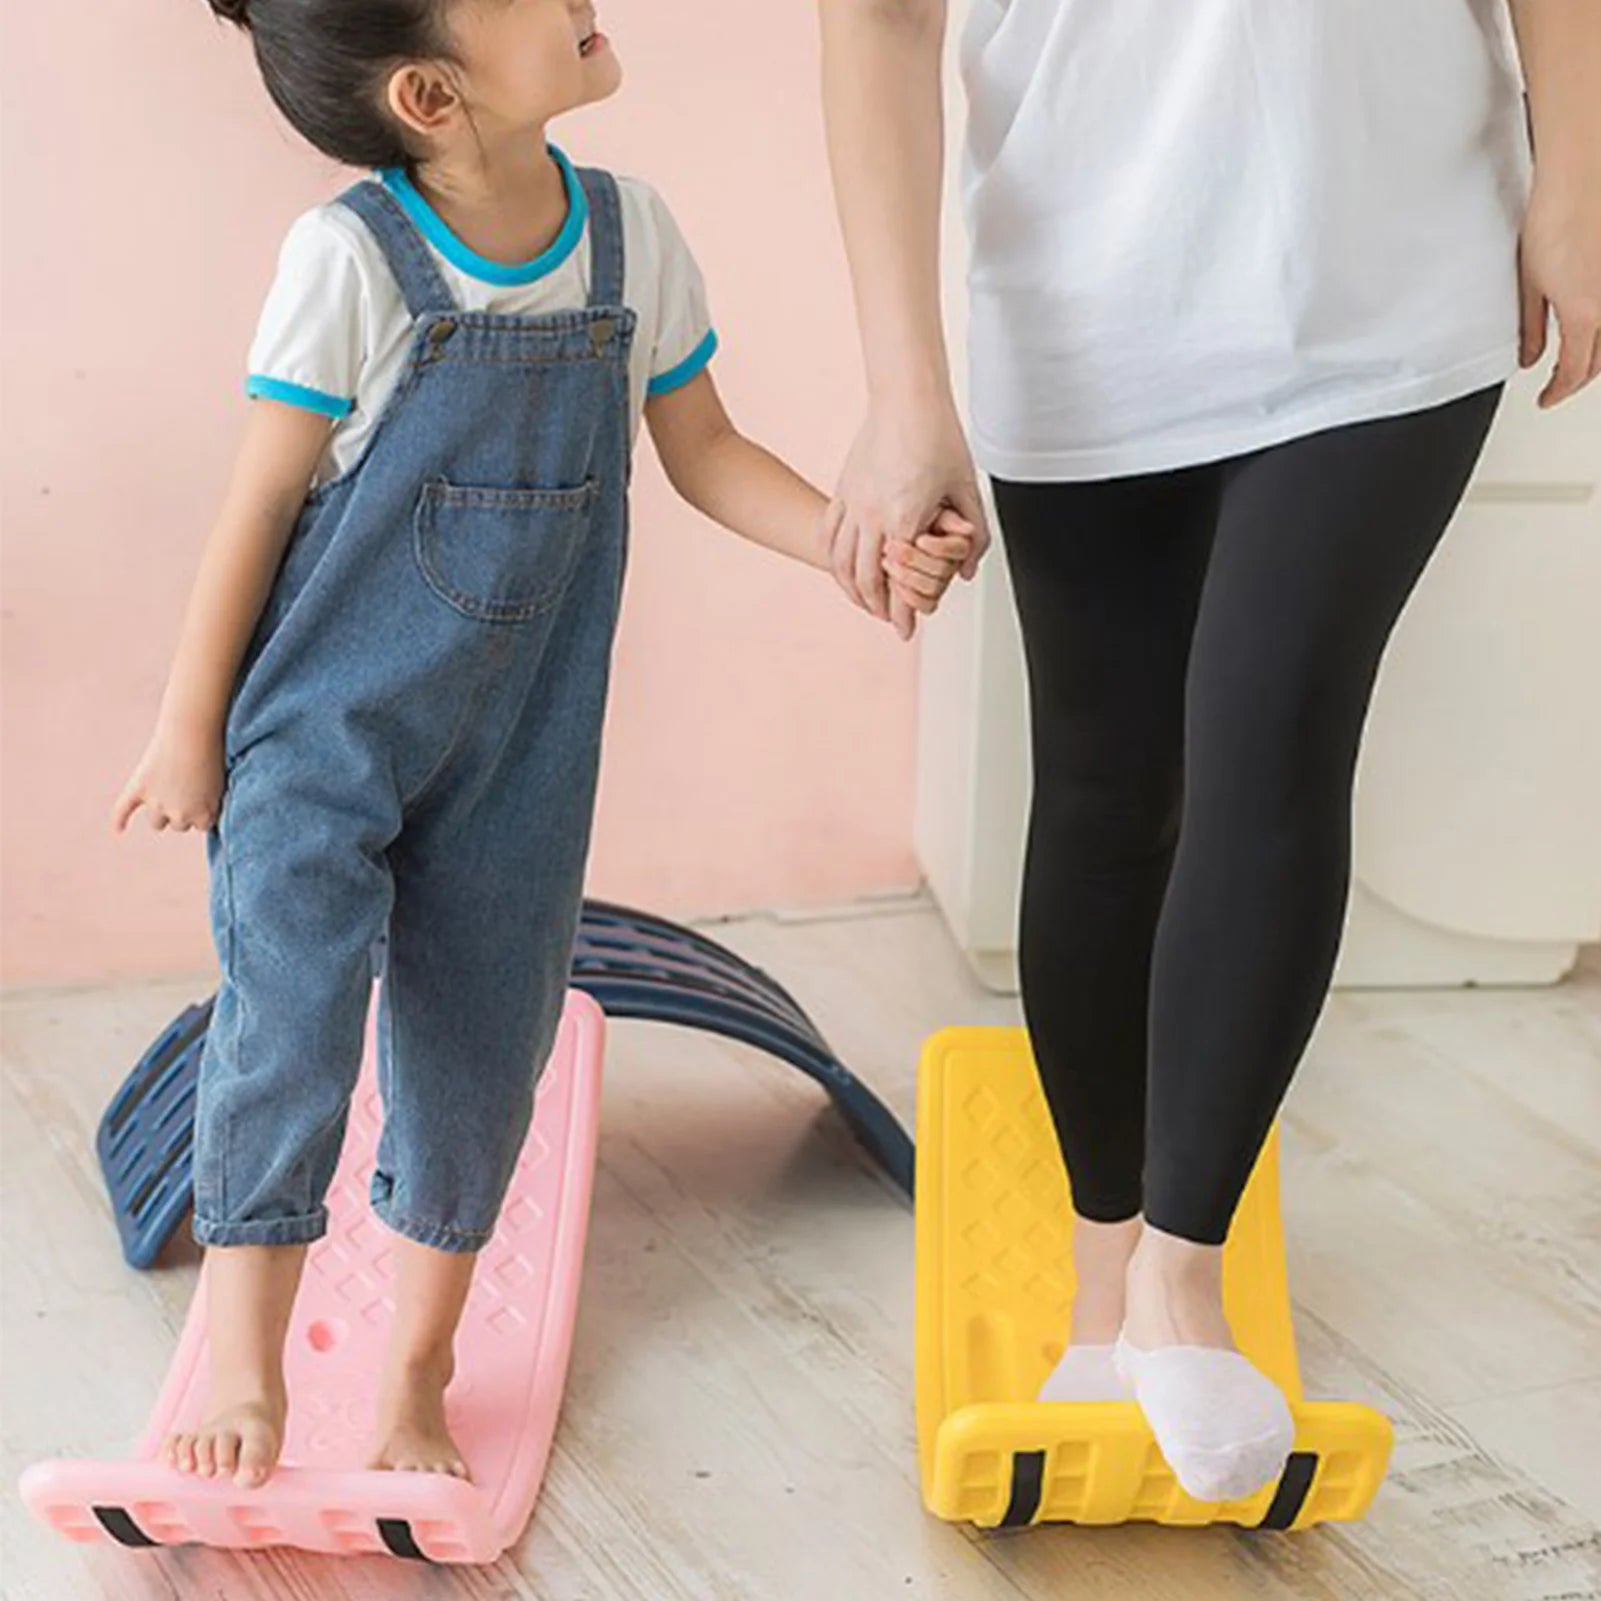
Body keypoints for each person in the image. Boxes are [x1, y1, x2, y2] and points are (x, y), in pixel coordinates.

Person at [113, 0, 973, 1490]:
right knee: (286, 1022)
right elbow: (256, 505)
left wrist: (853, 547)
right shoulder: (352, 261)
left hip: (518, 748)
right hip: (318, 733)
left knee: (477, 1054)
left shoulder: (631, 241)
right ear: (431, 95)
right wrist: (192, 730)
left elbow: (706, 454)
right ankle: (246, 1357)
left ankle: (417, 1373)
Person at [820, 0, 1601, 1501]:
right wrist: (904, 388)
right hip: (1085, 305)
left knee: (1274, 729)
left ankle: (1180, 1280)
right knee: (1106, 791)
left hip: (1397, 283)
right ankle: (1100, 1272)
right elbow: (877, 20)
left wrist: (1577, 174)